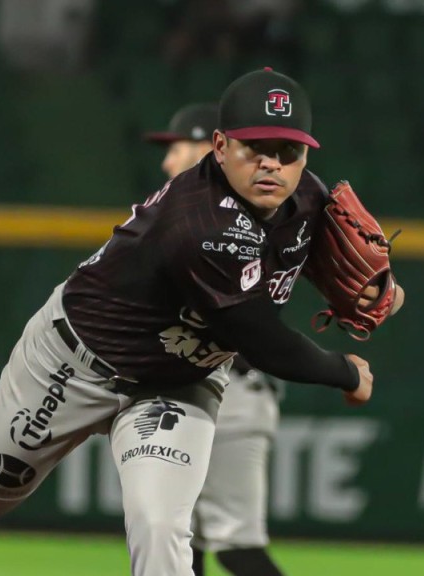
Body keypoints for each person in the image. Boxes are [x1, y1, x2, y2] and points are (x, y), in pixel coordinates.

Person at [0, 67, 403, 576]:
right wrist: (344, 371)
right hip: (72, 361)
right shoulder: (201, 220)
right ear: (220, 147)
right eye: (254, 148)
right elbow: (264, 343)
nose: (272, 165)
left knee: (160, 523)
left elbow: (311, 259)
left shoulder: (307, 197)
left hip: (177, 383)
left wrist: (380, 291)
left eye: (287, 151)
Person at [145, 102, 286, 576]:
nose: (167, 162)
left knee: (237, 547)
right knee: (184, 546)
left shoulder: (231, 219)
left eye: (178, 147)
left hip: (233, 395)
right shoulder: (189, 214)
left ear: (213, 148)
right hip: (196, 392)